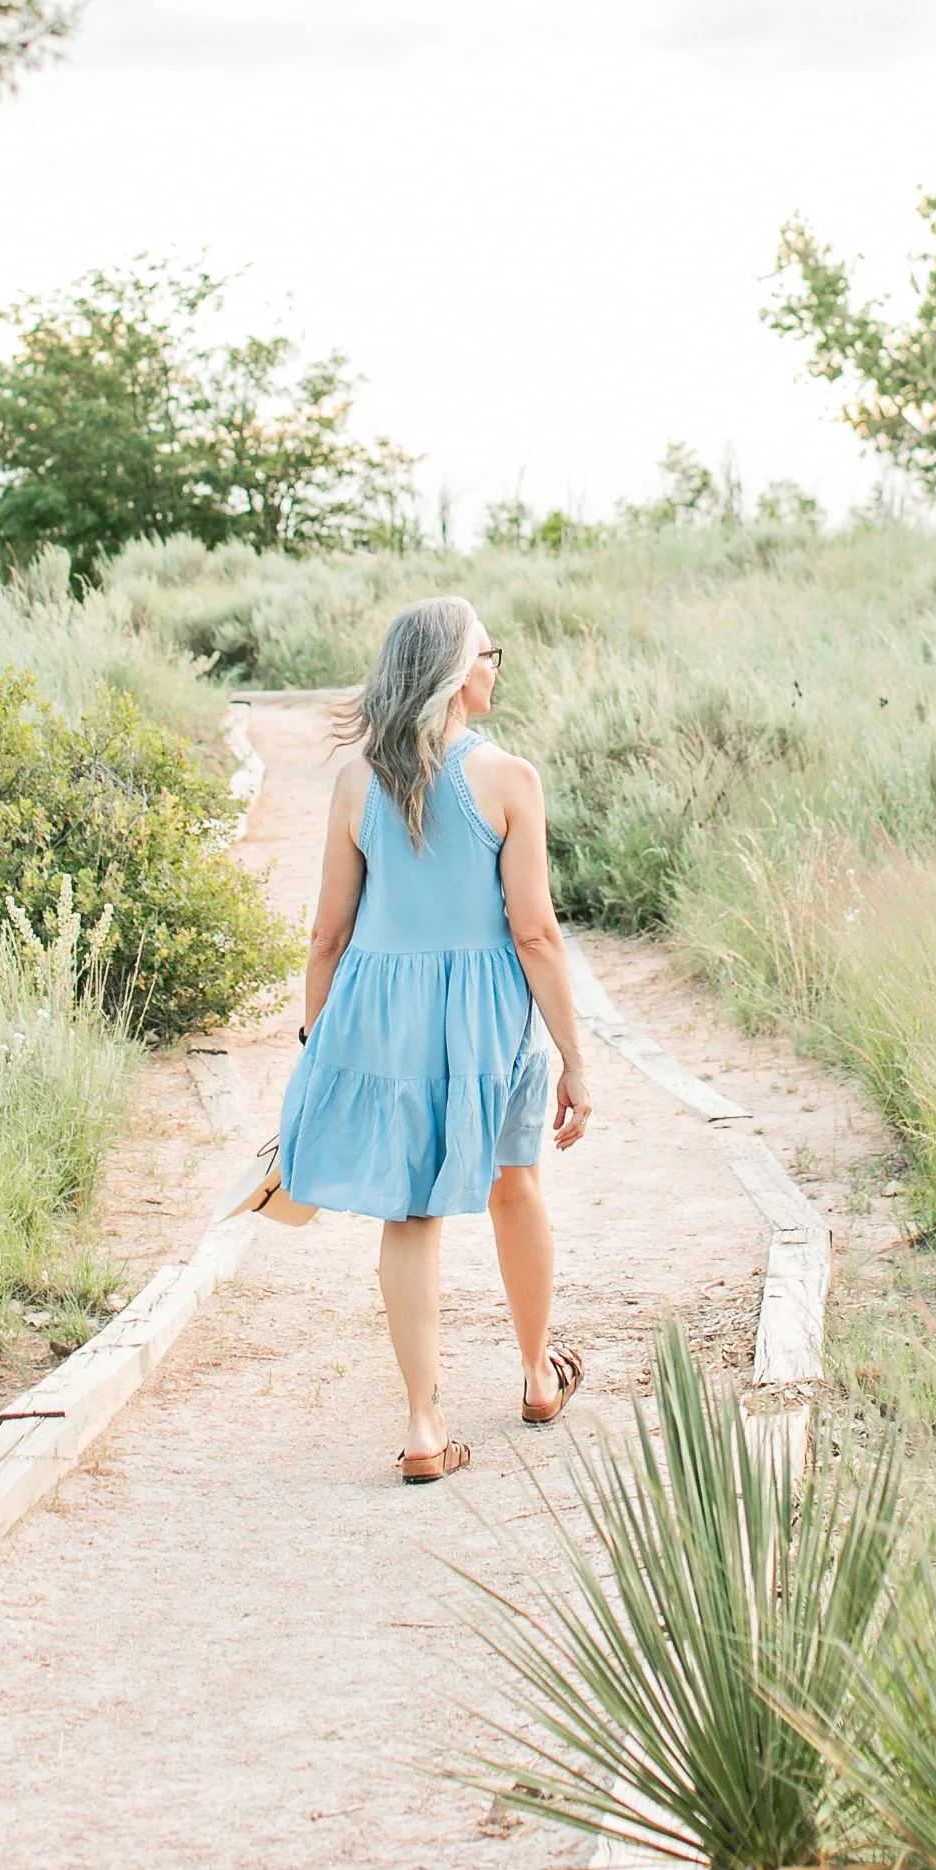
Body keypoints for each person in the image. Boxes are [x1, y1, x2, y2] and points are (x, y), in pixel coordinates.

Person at [267, 594, 593, 1481]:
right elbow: (535, 934)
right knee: (513, 1185)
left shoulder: (355, 783)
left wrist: (318, 1041)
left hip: (381, 1014)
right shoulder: (507, 779)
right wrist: (574, 1057)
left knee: (407, 1214)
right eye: (491, 652)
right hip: (486, 1015)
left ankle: (422, 1427)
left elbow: (327, 935)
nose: (496, 667)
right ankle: (534, 1375)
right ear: (456, 670)